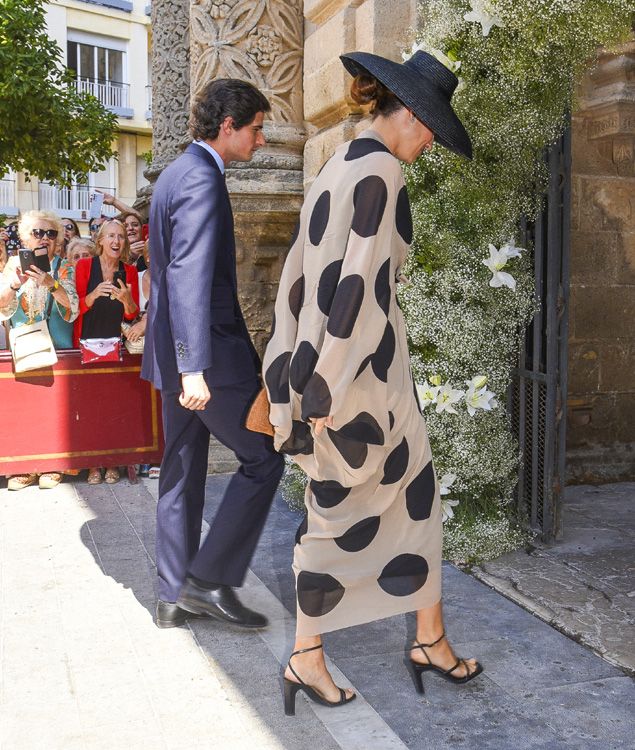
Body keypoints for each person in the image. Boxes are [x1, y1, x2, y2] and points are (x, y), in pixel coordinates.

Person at [262, 50, 483, 715]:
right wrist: (322, 391)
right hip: (358, 386)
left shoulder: (342, 162)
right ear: (410, 114)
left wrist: (293, 376)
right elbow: (352, 289)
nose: (428, 143)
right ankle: (306, 658)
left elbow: (300, 280)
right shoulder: (381, 171)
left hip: (353, 375)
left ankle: (430, 638)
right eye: (429, 129)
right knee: (335, 520)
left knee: (416, 503)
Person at [141, 78, 284, 630]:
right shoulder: (200, 178)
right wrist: (194, 367)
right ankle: (208, 581)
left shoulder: (177, 173)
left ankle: (173, 594)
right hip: (204, 362)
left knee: (179, 468)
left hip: (178, 356)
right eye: (257, 128)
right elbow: (188, 276)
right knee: (264, 457)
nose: (263, 140)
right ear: (228, 127)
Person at [0, 210, 79, 490]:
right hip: (23, 347)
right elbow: (1, 305)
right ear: (24, 237)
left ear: (58, 240)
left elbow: (72, 306)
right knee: (24, 407)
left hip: (57, 349)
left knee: (55, 409)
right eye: (38, 233)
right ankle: (24, 467)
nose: (44, 238)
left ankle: (53, 465)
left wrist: (51, 282)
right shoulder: (11, 266)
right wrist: (14, 284)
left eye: (51, 233)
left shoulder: (64, 267)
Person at [74, 218, 139, 485]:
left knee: (113, 406)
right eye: (111, 236)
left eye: (121, 237)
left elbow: (132, 314)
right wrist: (93, 295)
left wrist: (127, 300)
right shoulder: (84, 266)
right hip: (85, 345)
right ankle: (92, 465)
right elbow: (73, 307)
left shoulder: (130, 271)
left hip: (115, 347)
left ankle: (112, 463)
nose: (116, 241)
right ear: (100, 240)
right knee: (89, 408)